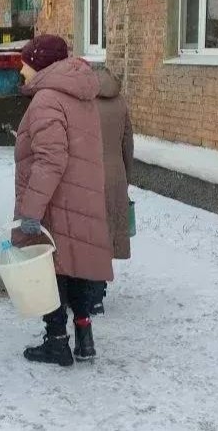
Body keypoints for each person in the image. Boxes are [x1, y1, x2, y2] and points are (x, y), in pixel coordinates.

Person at [13, 35, 112, 366]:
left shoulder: (46, 100)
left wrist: (31, 211)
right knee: (77, 266)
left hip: (55, 200)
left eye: (25, 62)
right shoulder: (80, 95)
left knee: (51, 270)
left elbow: (50, 159)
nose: (21, 69)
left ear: (40, 64)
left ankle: (57, 342)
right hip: (80, 195)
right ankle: (84, 336)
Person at [91, 68, 135, 315]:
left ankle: (86, 292)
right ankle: (99, 292)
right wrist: (125, 178)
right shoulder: (120, 102)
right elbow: (127, 143)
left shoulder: (83, 102)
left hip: (88, 175)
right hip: (115, 175)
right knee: (106, 233)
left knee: (89, 235)